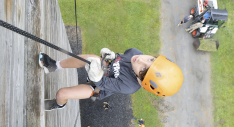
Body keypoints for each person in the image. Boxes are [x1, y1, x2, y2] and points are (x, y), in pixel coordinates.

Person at [39, 47, 183, 110]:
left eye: (143, 70)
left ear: (141, 82)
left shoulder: (130, 87)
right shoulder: (135, 53)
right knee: (92, 58)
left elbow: (102, 83)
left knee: (61, 94)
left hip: (99, 88)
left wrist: (97, 75)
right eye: (151, 59)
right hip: (106, 70)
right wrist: (111, 56)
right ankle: (54, 66)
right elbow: (118, 59)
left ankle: (58, 105)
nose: (141, 60)